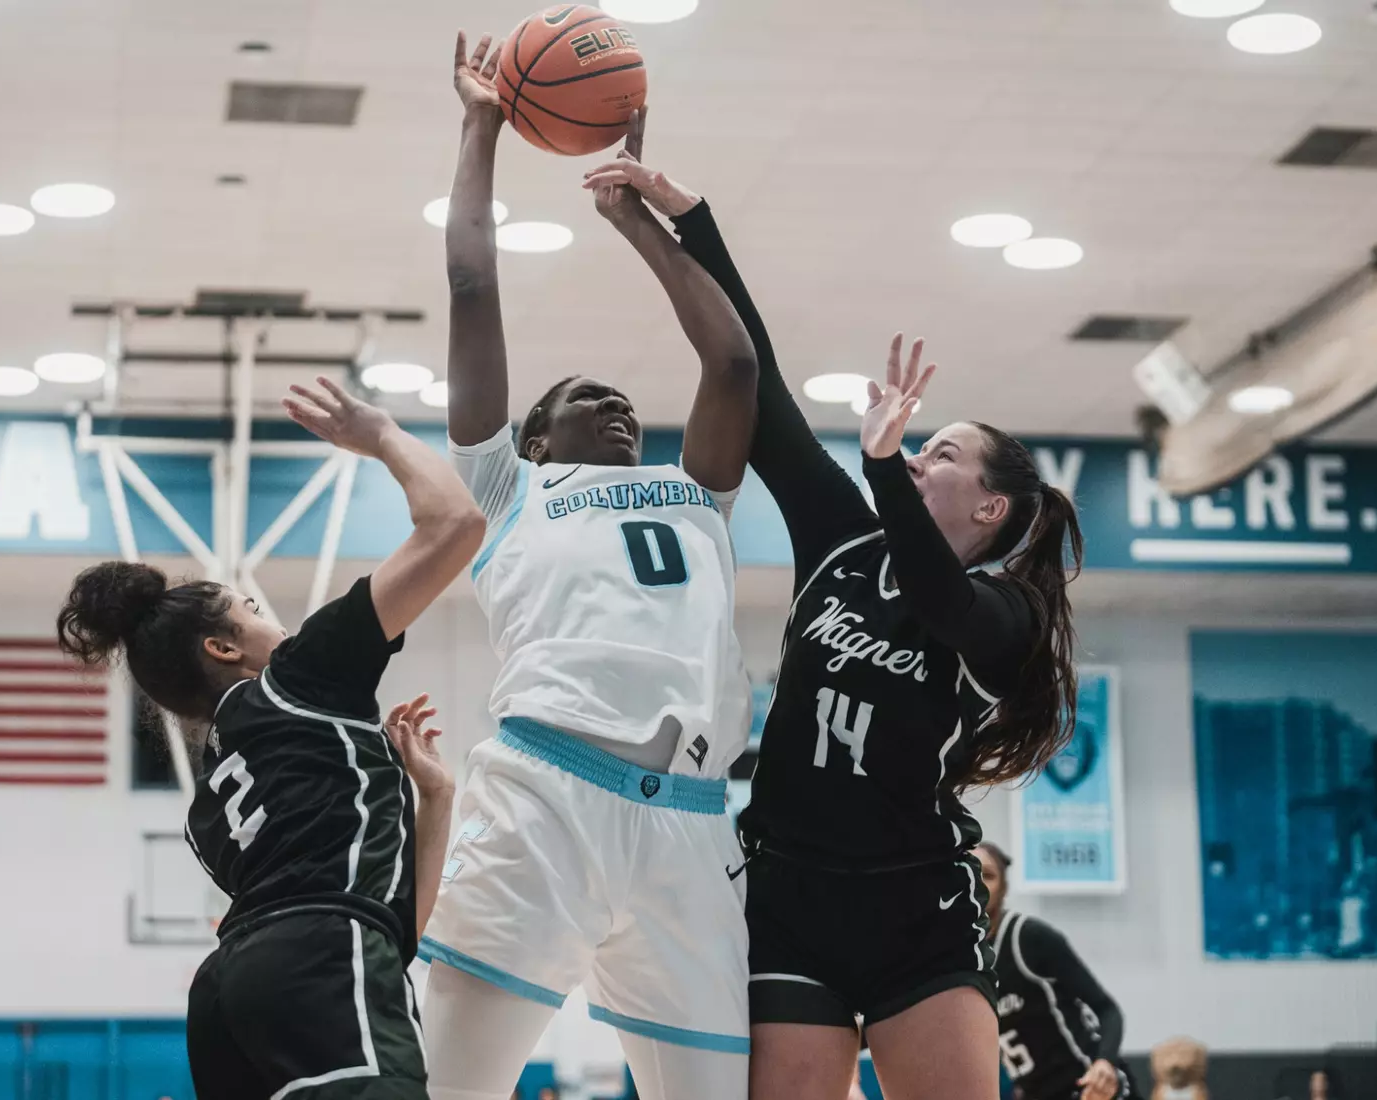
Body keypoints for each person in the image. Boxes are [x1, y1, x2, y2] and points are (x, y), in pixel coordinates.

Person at [578, 155, 1083, 1100]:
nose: (920, 456)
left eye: (942, 454)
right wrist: (682, 222)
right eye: (920, 451)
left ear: (990, 511)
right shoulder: (844, 545)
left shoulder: (1006, 615)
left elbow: (942, 604)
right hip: (791, 892)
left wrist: (888, 468)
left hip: (917, 903)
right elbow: (753, 380)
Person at [417, 33, 760, 1100]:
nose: (614, 402)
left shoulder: (696, 494)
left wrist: (638, 223)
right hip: (547, 798)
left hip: (694, 821)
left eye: (621, 397)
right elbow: (473, 278)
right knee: (442, 1088)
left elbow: (737, 359)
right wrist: (480, 129)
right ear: (531, 436)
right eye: (582, 395)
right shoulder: (507, 489)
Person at [57, 377, 486, 1100]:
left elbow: (395, 926)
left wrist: (435, 798)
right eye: (252, 606)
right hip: (318, 963)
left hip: (229, 993)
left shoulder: (209, 811)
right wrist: (381, 435)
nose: (272, 615)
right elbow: (455, 524)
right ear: (224, 649)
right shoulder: (300, 673)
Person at [974, 843, 1131, 1100]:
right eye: (969, 873)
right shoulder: (961, 955)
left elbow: (1108, 1010)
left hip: (1089, 1086)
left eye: (988, 876)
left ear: (1003, 887)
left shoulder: (1029, 937)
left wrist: (1104, 1063)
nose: (978, 884)